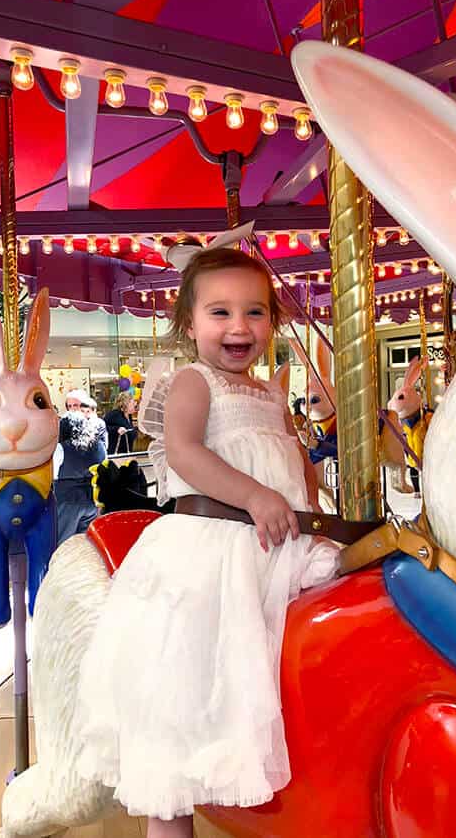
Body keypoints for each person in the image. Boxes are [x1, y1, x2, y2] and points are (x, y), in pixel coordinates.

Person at [75, 240, 340, 837]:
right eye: (219, 312)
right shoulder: (195, 383)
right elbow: (185, 453)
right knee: (185, 696)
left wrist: (313, 501)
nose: (238, 325)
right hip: (214, 549)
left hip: (280, 546)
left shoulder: (272, 394)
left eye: (254, 311)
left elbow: (295, 466)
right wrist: (254, 495)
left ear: (273, 321)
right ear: (189, 324)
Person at [53, 410, 106, 546]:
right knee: (86, 546)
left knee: (64, 546)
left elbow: (53, 474)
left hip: (66, 502)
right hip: (92, 501)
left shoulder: (60, 448)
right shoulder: (99, 446)